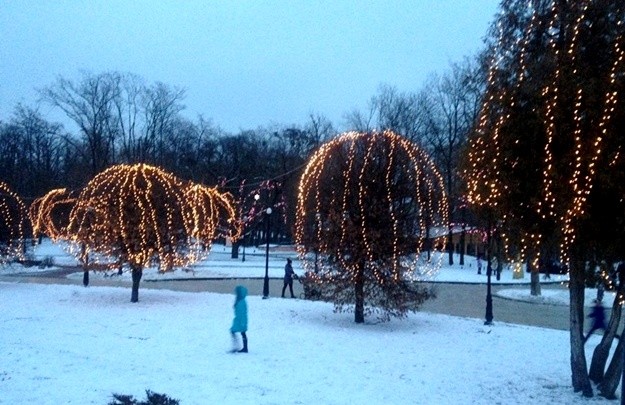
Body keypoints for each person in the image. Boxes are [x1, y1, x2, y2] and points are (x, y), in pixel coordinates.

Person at [230, 285, 248, 353]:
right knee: (241, 332)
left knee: (235, 331)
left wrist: (243, 322)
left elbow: (243, 313)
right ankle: (243, 347)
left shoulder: (241, 301)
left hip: (240, 320)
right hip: (238, 320)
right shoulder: (239, 300)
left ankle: (238, 346)